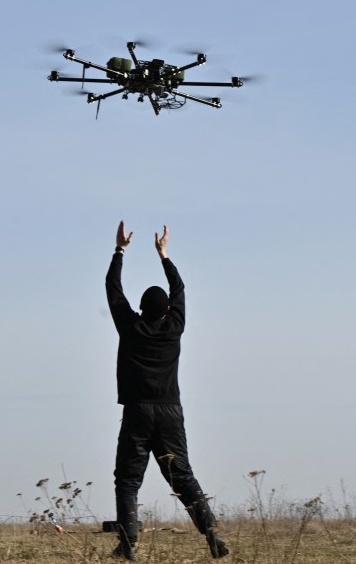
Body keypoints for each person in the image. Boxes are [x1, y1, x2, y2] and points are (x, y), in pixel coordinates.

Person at [105, 220, 229, 561]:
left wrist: (120, 251)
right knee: (183, 476)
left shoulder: (130, 327)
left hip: (138, 411)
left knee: (128, 481)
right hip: (171, 411)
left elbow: (113, 289)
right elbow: (180, 290)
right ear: (169, 312)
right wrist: (164, 256)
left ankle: (128, 545)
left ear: (142, 309)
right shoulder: (175, 328)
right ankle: (213, 534)